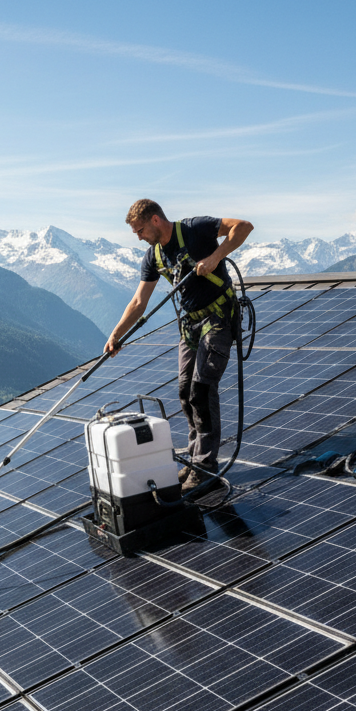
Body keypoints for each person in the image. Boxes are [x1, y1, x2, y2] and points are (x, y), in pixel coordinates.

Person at [105, 199, 253, 493]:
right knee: (185, 391)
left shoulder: (195, 228)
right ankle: (195, 459)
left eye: (140, 230)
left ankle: (207, 467)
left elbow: (243, 227)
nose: (138, 237)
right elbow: (138, 302)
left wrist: (215, 256)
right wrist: (116, 334)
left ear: (156, 220)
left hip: (219, 317)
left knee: (202, 388)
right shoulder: (153, 256)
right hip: (190, 325)